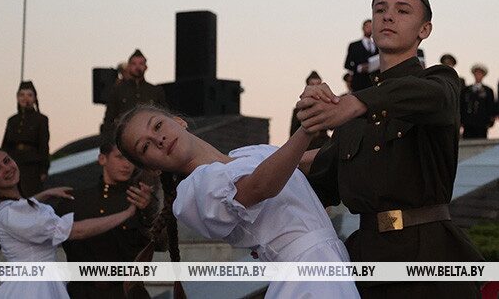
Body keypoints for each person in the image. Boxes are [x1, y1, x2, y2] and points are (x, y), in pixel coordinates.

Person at [297, 0, 483, 299]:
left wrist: (354, 103)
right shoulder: (354, 115)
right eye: (380, 9)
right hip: (368, 265)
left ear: (424, 29)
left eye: (402, 10)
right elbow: (318, 181)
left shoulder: (438, 83)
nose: (388, 16)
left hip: (429, 263)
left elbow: (430, 97)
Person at [115, 106, 358, 299]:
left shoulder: (250, 153)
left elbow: (316, 159)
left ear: (179, 122)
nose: (158, 139)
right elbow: (261, 186)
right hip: (305, 279)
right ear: (153, 168)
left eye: (158, 125)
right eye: (145, 146)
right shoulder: (194, 191)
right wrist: (307, 127)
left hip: (329, 264)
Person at [0, 147, 139, 299]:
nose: (6, 168)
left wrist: (44, 194)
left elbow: (20, 208)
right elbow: (76, 231)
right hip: (33, 289)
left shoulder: (1, 207)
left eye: (7, 160)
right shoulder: (11, 215)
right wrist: (127, 213)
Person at [56, 140, 157, 299]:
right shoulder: (75, 200)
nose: (127, 165)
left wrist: (148, 210)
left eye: (131, 159)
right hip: (82, 293)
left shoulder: (140, 199)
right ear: (102, 159)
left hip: (126, 292)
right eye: (120, 157)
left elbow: (162, 244)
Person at [1, 81, 50, 196]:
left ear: (34, 98)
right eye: (21, 95)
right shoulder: (12, 120)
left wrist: (44, 169)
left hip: (32, 166)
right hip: (14, 163)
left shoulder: (41, 119)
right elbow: (5, 145)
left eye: (29, 95)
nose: (25, 98)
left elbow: (44, 145)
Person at [102, 50, 167, 134]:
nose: (137, 67)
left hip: (150, 137)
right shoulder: (118, 91)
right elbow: (108, 120)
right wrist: (111, 145)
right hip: (126, 137)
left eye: (141, 64)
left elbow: (165, 116)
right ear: (128, 66)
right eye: (134, 64)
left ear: (146, 67)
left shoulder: (155, 90)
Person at [289, 71, 331, 150]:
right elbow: (293, 134)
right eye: (312, 85)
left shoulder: (327, 106)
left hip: (322, 146)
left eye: (318, 84)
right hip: (305, 146)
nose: (315, 88)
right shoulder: (298, 110)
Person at [461, 64, 495, 139]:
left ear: (483, 75)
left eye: (480, 73)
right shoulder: (466, 90)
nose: (478, 75)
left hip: (482, 122)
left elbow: (491, 105)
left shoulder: (488, 90)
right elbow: (462, 105)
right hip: (468, 122)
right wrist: (462, 120)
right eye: (476, 73)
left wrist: (491, 120)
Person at [344, 19, 379, 91]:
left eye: (371, 27)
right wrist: (359, 68)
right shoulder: (354, 46)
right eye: (367, 26)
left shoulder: (378, 46)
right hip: (359, 83)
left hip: (373, 83)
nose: (369, 29)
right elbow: (347, 64)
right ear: (363, 28)